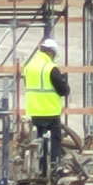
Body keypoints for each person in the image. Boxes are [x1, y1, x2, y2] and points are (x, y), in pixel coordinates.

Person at [22, 37, 70, 174]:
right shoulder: (51, 68)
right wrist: (65, 82)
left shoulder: (28, 67)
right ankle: (54, 167)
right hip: (50, 111)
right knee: (54, 141)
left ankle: (38, 168)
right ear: (52, 53)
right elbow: (63, 90)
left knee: (37, 141)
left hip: (34, 111)